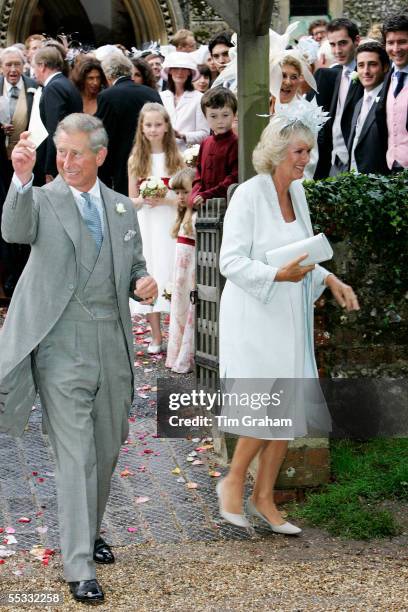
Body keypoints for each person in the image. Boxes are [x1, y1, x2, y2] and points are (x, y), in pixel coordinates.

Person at [0, 113, 158, 603]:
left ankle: (87, 533)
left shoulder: (122, 208)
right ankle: (78, 565)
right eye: (61, 152)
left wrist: (143, 282)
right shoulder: (41, 200)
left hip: (112, 342)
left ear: (100, 156)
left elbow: (134, 264)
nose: (66, 161)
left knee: (107, 448)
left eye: (76, 153)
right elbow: (13, 230)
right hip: (59, 345)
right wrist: (21, 176)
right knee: (75, 456)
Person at [216, 110, 359, 533]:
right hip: (254, 316)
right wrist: (276, 275)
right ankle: (234, 481)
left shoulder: (298, 195)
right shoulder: (248, 194)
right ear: (278, 152)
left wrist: (331, 278)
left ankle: (264, 498)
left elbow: (304, 256)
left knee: (286, 405)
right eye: (300, 151)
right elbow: (229, 261)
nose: (306, 160)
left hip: (289, 315)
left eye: (309, 151)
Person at [128, 102, 184, 353]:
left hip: (169, 221)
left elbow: (184, 196)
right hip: (148, 224)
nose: (152, 129)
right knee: (152, 272)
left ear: (166, 127)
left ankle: (177, 335)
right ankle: (156, 335)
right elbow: (131, 200)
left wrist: (166, 199)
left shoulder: (177, 159)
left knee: (171, 272)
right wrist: (143, 200)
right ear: (141, 127)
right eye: (148, 125)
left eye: (157, 125)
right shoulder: (135, 160)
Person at [96, 53, 162, 195]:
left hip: (123, 164)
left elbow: (104, 136)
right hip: (154, 158)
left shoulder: (107, 96)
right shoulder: (151, 92)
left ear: (108, 75)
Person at [0, 46, 37, 298]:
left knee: (22, 216)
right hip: (0, 167)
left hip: (25, 165)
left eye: (17, 64)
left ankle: (22, 279)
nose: (13, 70)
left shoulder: (34, 88)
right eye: (8, 65)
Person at [310, 18, 363, 178]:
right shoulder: (333, 75)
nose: (337, 50)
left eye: (342, 43)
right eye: (332, 45)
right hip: (333, 161)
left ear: (357, 41)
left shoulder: (367, 75)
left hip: (358, 162)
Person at [33, 46, 83, 184]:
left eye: (34, 67)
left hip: (62, 161)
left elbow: (55, 129)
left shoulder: (53, 88)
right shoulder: (66, 83)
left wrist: (51, 169)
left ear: (42, 66)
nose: (34, 72)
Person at [165, 167, 197, 373]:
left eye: (185, 192)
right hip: (181, 276)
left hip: (191, 274)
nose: (181, 197)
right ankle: (176, 355)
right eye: (177, 193)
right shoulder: (182, 217)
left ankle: (187, 356)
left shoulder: (195, 217)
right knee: (179, 310)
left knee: (189, 310)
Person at [189, 87, 238, 208]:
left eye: (225, 115)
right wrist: (195, 194)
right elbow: (198, 174)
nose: (220, 121)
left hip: (227, 205)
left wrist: (208, 195)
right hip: (205, 207)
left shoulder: (235, 143)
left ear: (234, 114)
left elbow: (234, 178)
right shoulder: (205, 142)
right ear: (205, 117)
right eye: (213, 116)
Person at [348, 42, 390, 175]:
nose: (366, 71)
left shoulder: (389, 101)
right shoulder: (359, 103)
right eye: (361, 65)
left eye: (372, 64)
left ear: (385, 67)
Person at [377, 13, 408, 172]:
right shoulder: (386, 77)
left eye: (402, 42)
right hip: (391, 167)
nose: (396, 49)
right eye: (390, 43)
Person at [160, 51, 210, 151]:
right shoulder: (161, 96)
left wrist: (182, 135)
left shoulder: (199, 98)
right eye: (176, 68)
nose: (180, 72)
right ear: (169, 71)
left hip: (188, 157)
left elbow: (205, 133)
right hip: (164, 154)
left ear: (189, 72)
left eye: (184, 69)